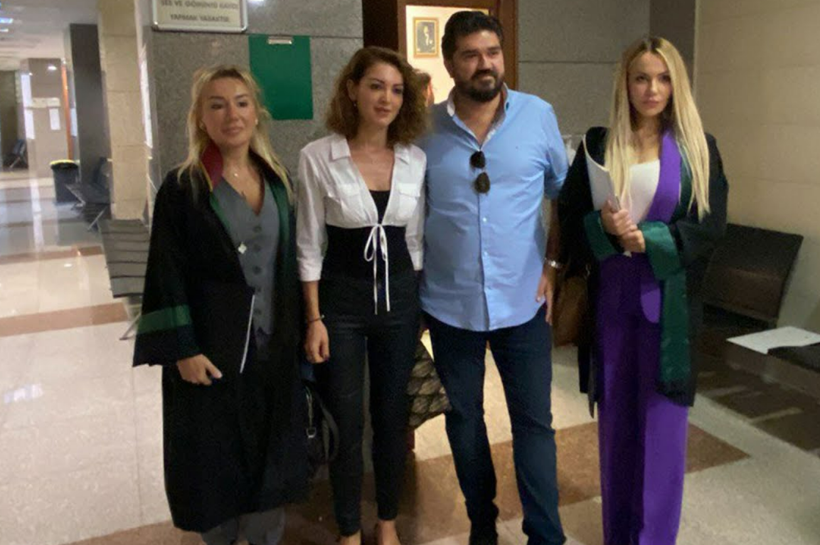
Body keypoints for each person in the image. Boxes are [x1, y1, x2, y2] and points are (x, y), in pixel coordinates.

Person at [557, 36, 728, 545]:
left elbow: (709, 227)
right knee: (617, 431)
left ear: (676, 84)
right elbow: (571, 216)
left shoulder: (698, 149)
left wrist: (648, 239)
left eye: (663, 78)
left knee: (662, 435)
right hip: (612, 304)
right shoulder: (598, 145)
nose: (652, 89)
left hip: (668, 308)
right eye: (641, 78)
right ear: (625, 83)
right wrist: (605, 230)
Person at [132, 65, 309, 545]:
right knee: (214, 465)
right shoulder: (184, 188)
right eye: (217, 105)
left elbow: (288, 264)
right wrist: (183, 349)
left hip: (272, 353)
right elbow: (166, 272)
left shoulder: (278, 181)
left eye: (241, 102)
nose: (232, 114)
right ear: (200, 119)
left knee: (271, 460)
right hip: (211, 355)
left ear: (257, 113)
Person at [419, 11, 567, 545]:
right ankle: (482, 524)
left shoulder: (537, 115)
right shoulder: (423, 128)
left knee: (534, 425)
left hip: (523, 301)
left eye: (493, 53)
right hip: (449, 305)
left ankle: (545, 534)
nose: (485, 64)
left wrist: (553, 266)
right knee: (464, 422)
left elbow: (564, 195)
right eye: (471, 55)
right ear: (449, 62)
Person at [296, 46, 428, 545]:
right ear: (352, 90)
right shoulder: (318, 157)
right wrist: (314, 318)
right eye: (376, 86)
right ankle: (349, 527)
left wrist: (418, 309)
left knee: (392, 419)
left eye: (396, 90)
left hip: (400, 302)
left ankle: (387, 520)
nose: (386, 99)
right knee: (346, 421)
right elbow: (309, 244)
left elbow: (414, 241)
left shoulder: (415, 160)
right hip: (341, 305)